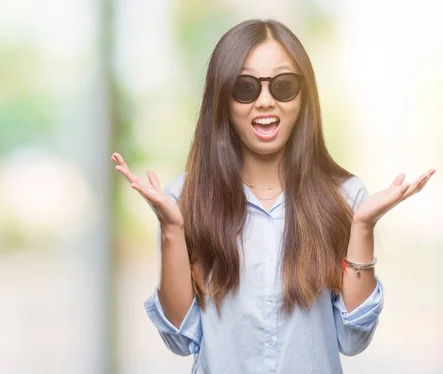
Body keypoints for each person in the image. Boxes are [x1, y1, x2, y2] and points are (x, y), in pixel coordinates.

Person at [111, 18, 435, 374]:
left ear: (305, 96)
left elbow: (353, 340)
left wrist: (362, 226)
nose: (265, 101)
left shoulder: (345, 196)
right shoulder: (184, 199)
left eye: (283, 86)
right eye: (245, 88)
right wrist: (172, 230)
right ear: (222, 100)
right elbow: (180, 339)